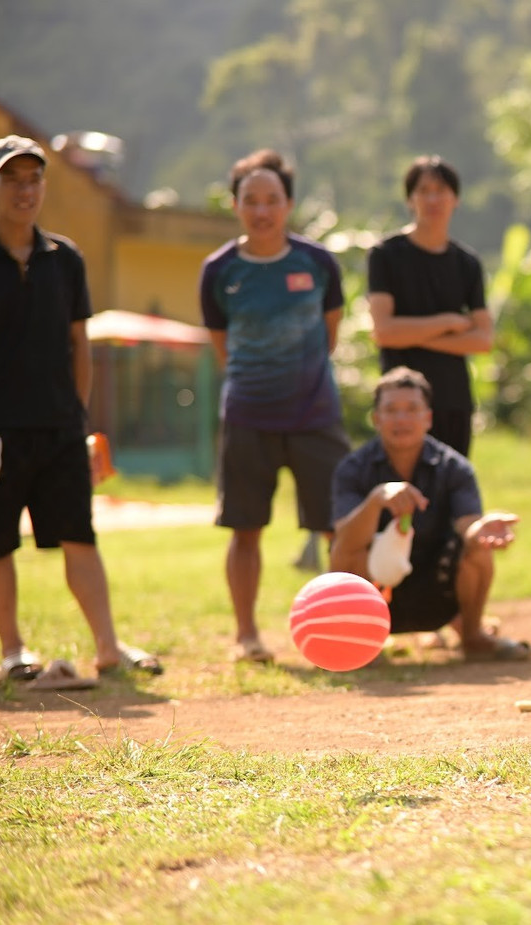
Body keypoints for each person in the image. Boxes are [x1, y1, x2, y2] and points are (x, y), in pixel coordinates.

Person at [0, 135, 161, 682]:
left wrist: (79, 420)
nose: (24, 190)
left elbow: (79, 345)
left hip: (61, 428)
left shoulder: (65, 259)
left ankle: (108, 647)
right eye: (11, 179)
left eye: (33, 179)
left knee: (80, 536)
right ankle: (14, 652)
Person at [199, 149, 351, 664]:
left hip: (316, 416)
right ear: (236, 205)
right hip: (248, 417)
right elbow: (222, 345)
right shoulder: (218, 270)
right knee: (245, 530)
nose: (262, 210)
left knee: (338, 527)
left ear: (288, 204)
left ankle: (346, 633)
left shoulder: (318, 262)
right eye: (251, 200)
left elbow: (330, 334)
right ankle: (246, 636)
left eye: (272, 200)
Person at [330, 367, 531, 661]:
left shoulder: (455, 468)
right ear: (376, 419)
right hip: (378, 595)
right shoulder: (351, 469)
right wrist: (375, 501)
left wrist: (481, 530)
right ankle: (360, 643)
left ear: (428, 418)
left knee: (478, 549)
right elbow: (345, 544)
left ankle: (473, 636)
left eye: (412, 409)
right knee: (344, 548)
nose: (401, 419)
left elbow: (468, 526)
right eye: (391, 410)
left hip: (438, 593)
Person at [367, 156, 492, 458]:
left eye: (441, 191)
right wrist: (448, 322)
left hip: (453, 399)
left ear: (455, 199)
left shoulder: (467, 263)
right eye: (424, 191)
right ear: (410, 199)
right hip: (400, 405)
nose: (433, 199)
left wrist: (409, 335)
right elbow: (384, 332)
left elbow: (483, 339)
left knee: (453, 484)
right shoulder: (385, 255)